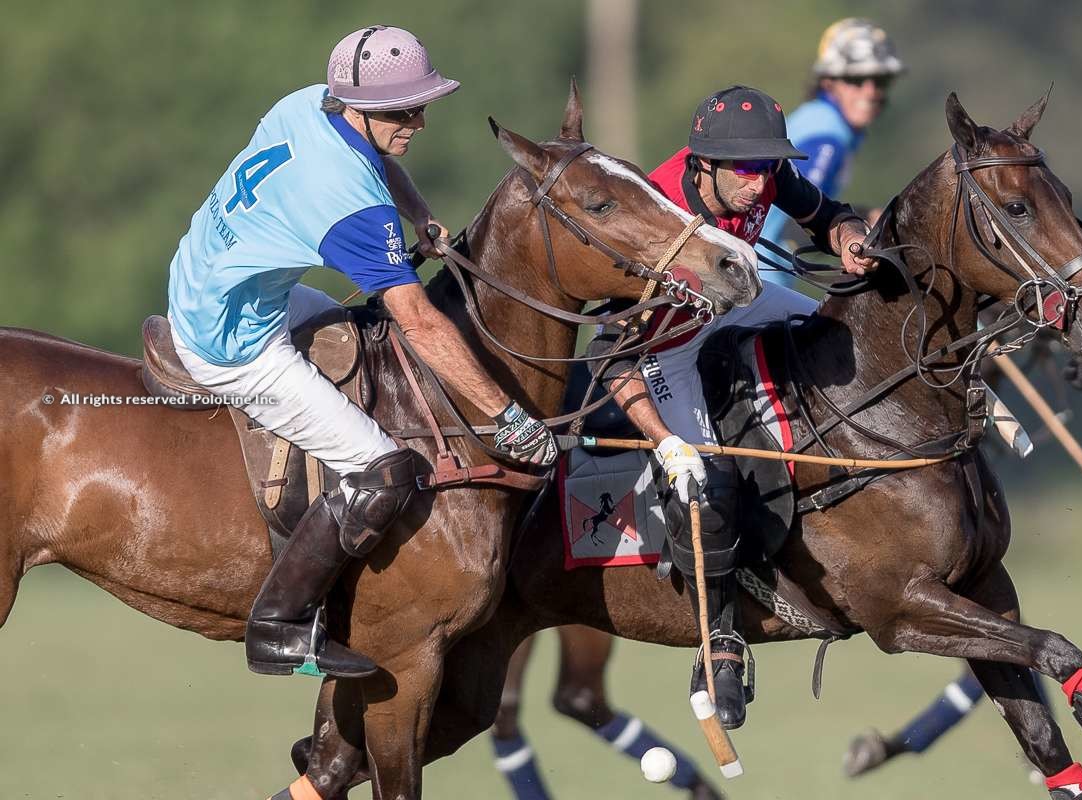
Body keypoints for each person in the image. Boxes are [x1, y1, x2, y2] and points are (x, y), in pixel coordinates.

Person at [166, 25, 557, 680]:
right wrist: (508, 419)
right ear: (365, 107)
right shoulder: (348, 205)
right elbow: (426, 327)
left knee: (367, 342)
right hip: (230, 338)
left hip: (212, 277)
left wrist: (418, 213)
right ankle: (280, 625)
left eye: (421, 104)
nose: (420, 121)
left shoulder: (313, 102)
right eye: (405, 110)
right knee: (382, 467)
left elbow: (378, 165)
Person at [586, 85, 875, 729]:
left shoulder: (764, 175)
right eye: (745, 169)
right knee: (701, 488)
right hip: (665, 348)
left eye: (767, 166)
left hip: (738, 301)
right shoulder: (655, 215)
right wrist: (664, 441)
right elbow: (611, 354)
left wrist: (848, 235)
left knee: (838, 338)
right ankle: (719, 646)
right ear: (703, 165)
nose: (758, 183)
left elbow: (823, 210)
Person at [758, 18, 905, 285]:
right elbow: (799, 223)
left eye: (880, 79)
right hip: (761, 277)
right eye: (855, 79)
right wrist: (867, 221)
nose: (870, 91)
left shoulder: (818, 120)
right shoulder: (828, 137)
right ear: (828, 82)